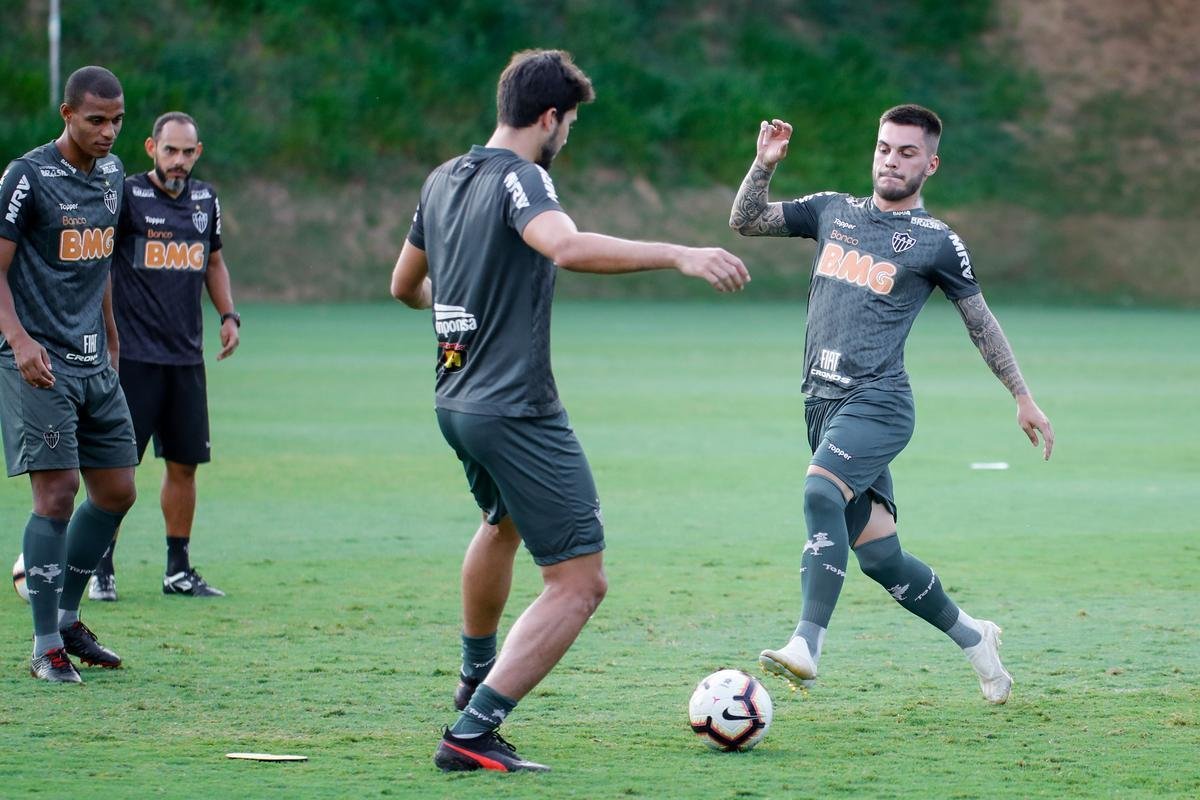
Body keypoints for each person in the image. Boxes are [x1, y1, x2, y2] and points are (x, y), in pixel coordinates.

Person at [391, 49, 749, 772]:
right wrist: (678, 253)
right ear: (548, 117)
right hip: (516, 406)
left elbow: (403, 285)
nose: (569, 135)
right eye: (571, 122)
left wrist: (461, 314)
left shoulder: (442, 178)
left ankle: (473, 675)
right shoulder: (525, 178)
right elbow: (564, 245)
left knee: (502, 524)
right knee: (580, 582)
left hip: (454, 398)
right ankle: (473, 732)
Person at [729, 105, 1054, 705]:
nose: (891, 160)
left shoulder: (936, 242)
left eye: (907, 153)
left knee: (819, 492)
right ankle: (976, 639)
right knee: (880, 556)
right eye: (884, 148)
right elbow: (746, 221)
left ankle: (807, 643)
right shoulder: (833, 210)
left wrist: (1022, 395)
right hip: (820, 406)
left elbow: (980, 322)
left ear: (929, 164)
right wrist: (763, 164)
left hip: (878, 402)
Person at [0, 66, 138, 682]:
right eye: (96, 120)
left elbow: (100, 259)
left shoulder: (111, 175)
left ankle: (70, 621)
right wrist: (18, 338)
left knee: (116, 492)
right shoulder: (26, 177)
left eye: (117, 120)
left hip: (92, 358)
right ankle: (44, 646)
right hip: (38, 362)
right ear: (66, 114)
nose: (109, 132)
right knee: (56, 496)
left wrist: (110, 333)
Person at [91, 111, 239, 602]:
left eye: (187, 152)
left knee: (184, 465)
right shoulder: (128, 196)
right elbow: (101, 262)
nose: (179, 161)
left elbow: (213, 260)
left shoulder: (205, 199)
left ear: (198, 153)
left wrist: (228, 315)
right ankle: (101, 567)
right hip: (132, 358)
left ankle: (178, 569)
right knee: (118, 467)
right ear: (152, 149)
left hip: (184, 358)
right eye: (170, 150)